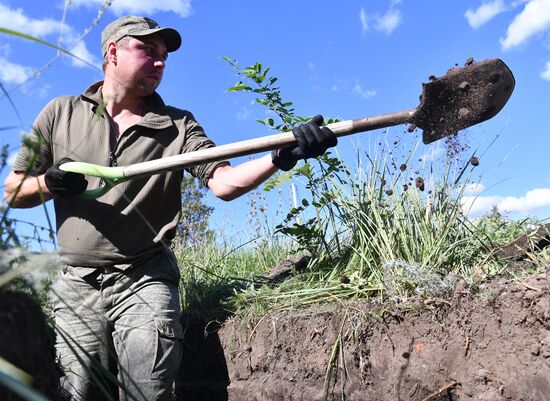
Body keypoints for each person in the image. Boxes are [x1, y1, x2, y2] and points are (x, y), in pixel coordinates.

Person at [3, 15, 337, 401]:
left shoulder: (178, 126)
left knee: (148, 392)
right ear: (113, 51)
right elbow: (13, 189)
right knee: (78, 393)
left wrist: (281, 157)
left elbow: (223, 182)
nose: (160, 62)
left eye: (164, 56)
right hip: (76, 283)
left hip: (145, 278)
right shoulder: (58, 113)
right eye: (148, 50)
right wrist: (49, 182)